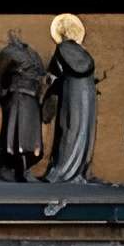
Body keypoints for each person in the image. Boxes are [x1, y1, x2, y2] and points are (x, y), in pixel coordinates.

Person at [0, 34, 52, 182]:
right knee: (14, 134)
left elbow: (41, 78)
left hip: (30, 100)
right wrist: (1, 92)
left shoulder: (32, 55)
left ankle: (22, 167)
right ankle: (11, 166)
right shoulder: (11, 53)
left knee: (28, 137)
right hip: (17, 99)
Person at [43, 13, 99, 183]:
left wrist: (49, 83)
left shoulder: (62, 49)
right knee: (82, 127)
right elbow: (84, 69)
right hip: (87, 92)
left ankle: (63, 169)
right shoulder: (83, 52)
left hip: (72, 91)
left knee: (70, 127)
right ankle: (79, 169)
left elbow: (54, 74)